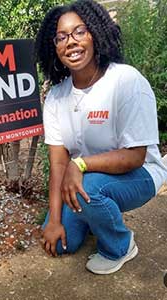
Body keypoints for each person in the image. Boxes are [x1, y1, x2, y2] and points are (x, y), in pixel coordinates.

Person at [35, 0, 167, 275]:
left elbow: (135, 156)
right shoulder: (57, 97)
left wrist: (80, 165)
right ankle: (94, 213)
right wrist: (54, 220)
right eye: (61, 37)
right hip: (88, 177)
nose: (70, 42)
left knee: (90, 188)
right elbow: (58, 165)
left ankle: (120, 245)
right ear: (54, 47)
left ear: (95, 33)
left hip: (140, 173)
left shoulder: (126, 82)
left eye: (79, 32)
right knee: (61, 243)